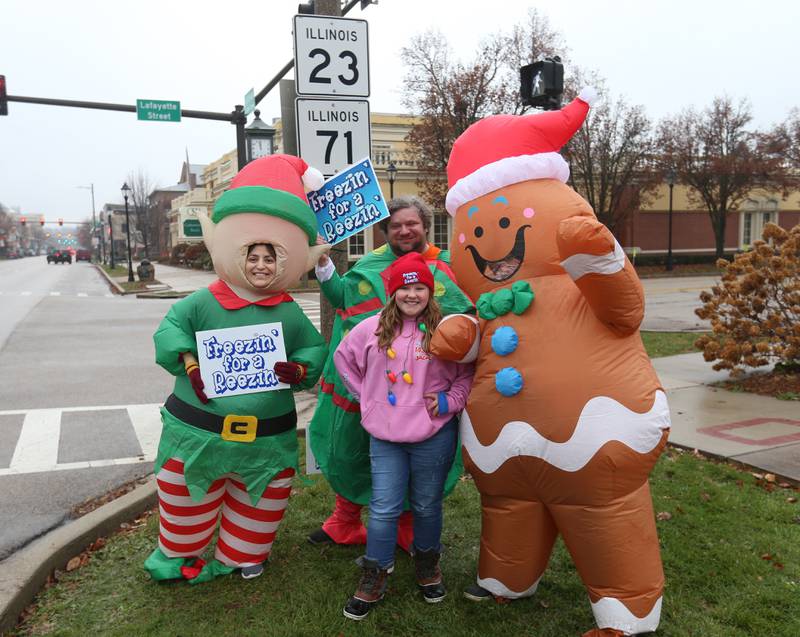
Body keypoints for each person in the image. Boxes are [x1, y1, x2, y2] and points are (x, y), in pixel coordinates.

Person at [144, 154, 330, 584]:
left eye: (271, 258)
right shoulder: (203, 302)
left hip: (265, 443)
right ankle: (177, 555)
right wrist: (190, 363)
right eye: (253, 256)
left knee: (259, 497)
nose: (261, 266)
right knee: (187, 494)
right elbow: (170, 331)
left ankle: (241, 554)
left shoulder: (287, 312)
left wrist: (299, 371)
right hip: (199, 435)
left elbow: (313, 349)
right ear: (236, 253)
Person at [307, 195, 474, 550]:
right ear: (386, 231)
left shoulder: (448, 266)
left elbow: (465, 321)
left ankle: (407, 526)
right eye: (396, 225)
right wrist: (322, 264)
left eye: (411, 223)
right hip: (369, 383)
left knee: (418, 459)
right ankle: (344, 519)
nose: (404, 230)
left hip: (424, 389)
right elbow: (342, 298)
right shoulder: (369, 263)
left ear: (425, 225)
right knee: (350, 446)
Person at [333, 252, 474, 620]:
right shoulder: (372, 328)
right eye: (405, 288)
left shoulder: (447, 329)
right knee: (383, 506)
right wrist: (367, 397)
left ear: (429, 291)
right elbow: (342, 359)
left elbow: (467, 373)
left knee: (427, 504)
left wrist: (449, 400)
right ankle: (375, 571)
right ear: (393, 292)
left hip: (434, 434)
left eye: (419, 288)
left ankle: (427, 563)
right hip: (386, 436)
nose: (412, 295)